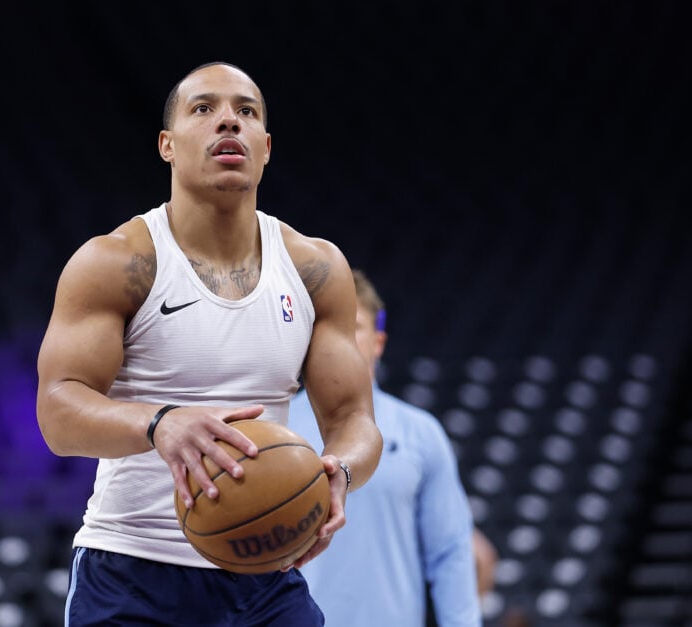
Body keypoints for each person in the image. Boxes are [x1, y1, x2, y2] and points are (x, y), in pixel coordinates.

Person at [36, 61, 383, 626]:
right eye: (204, 109)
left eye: (246, 112)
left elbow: (354, 418)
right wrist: (161, 423)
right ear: (167, 145)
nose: (229, 123)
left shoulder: (315, 267)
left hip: (266, 572)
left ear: (265, 147)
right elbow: (57, 414)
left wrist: (338, 471)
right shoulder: (116, 261)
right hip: (132, 571)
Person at [289, 269, 483, 626]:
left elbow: (451, 552)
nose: (341, 339)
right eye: (330, 327)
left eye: (355, 325)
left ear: (378, 342)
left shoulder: (421, 433)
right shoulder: (275, 429)